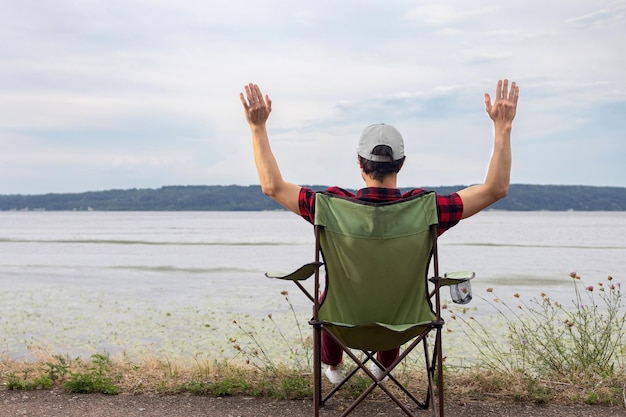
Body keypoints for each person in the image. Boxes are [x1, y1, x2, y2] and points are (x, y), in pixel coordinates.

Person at [240, 79, 519, 383]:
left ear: (360, 163)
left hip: (341, 323)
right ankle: (384, 364)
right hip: (406, 323)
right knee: (395, 297)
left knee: (329, 299)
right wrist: (502, 127)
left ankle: (333, 366)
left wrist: (258, 128)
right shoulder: (427, 209)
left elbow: (272, 186)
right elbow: (495, 189)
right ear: (401, 164)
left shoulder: (328, 206)